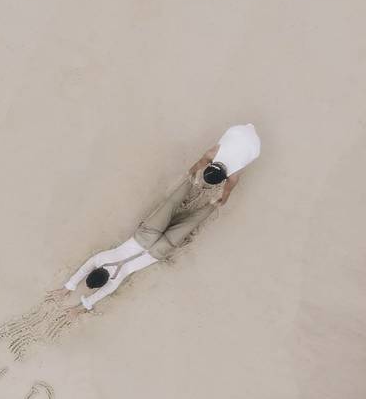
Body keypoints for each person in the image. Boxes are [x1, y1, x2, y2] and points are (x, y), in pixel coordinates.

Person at [59, 124, 261, 312]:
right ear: (97, 271)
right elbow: (86, 267)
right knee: (171, 204)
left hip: (157, 251)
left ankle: (211, 205)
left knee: (191, 222)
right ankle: (191, 183)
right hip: (145, 236)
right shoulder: (101, 259)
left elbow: (100, 294)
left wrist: (81, 304)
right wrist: (70, 285)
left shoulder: (114, 281)